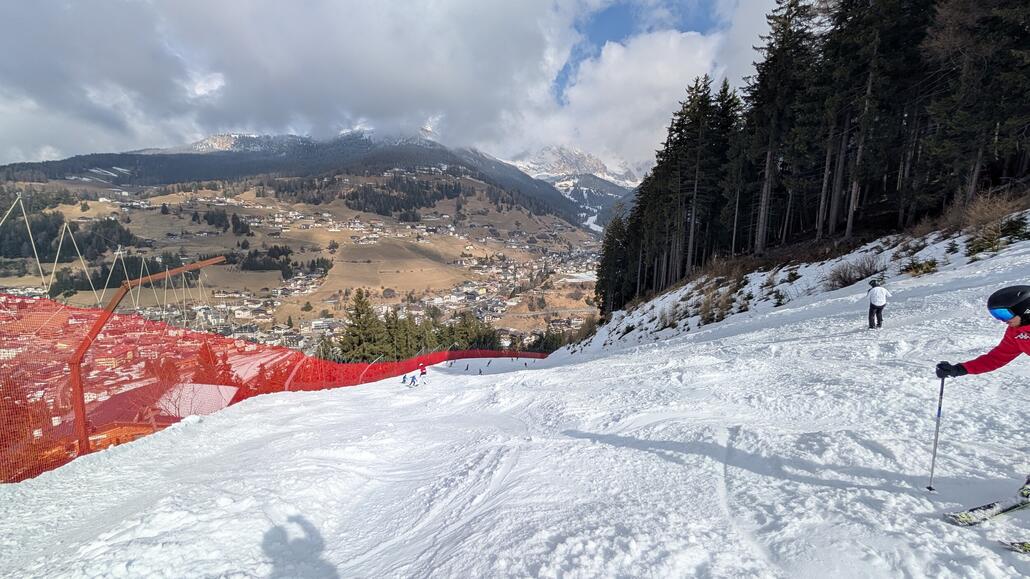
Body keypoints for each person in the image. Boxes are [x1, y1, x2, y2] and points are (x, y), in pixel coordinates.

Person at [936, 285, 1030, 501]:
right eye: (996, 315)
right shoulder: (1017, 332)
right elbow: (997, 357)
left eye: (1004, 314)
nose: (1002, 320)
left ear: (1026, 309)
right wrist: (960, 369)